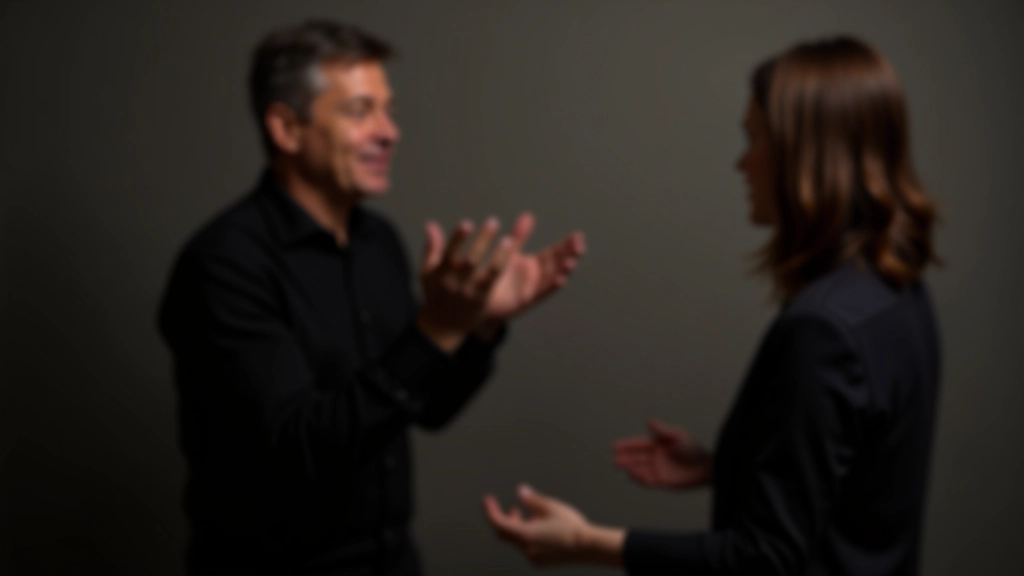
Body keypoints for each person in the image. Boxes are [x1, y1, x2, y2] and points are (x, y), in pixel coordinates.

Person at [484, 36, 940, 576]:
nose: (742, 163)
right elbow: (858, 485)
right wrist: (728, 466)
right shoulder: (897, 294)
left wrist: (586, 542)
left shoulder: (822, 330)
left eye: (754, 139)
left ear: (802, 155)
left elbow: (764, 561)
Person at [158, 20, 585, 576]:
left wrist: (476, 328)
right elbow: (297, 451)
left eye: (389, 110)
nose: (390, 132)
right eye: (361, 111)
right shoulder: (223, 265)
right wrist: (437, 329)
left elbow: (426, 407)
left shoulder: (377, 241)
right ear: (287, 130)